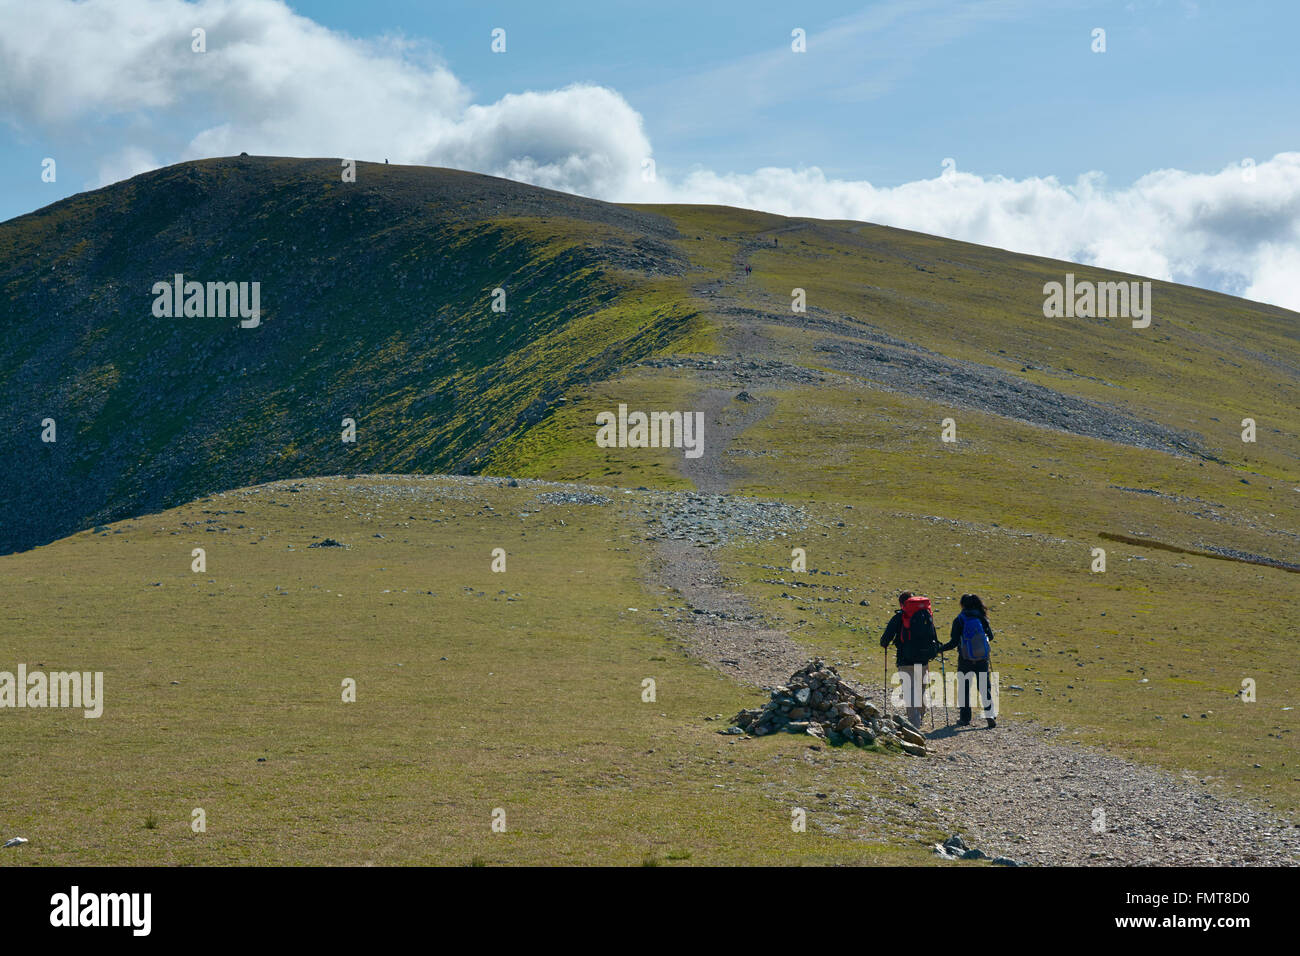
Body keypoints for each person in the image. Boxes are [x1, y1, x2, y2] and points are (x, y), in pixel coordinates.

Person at [880, 591, 941, 729]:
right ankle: (921, 713)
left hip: (905, 660)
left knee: (909, 693)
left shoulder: (899, 617)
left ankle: (915, 726)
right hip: (924, 660)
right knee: (920, 690)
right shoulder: (926, 615)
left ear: (902, 604)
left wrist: (885, 643)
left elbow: (885, 640)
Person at [941, 594, 996, 728]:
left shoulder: (959, 620)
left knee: (964, 689)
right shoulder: (982, 618)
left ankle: (965, 719)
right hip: (982, 659)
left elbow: (954, 642)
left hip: (965, 659)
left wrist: (940, 649)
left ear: (963, 604)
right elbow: (991, 636)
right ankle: (990, 715)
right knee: (984, 688)